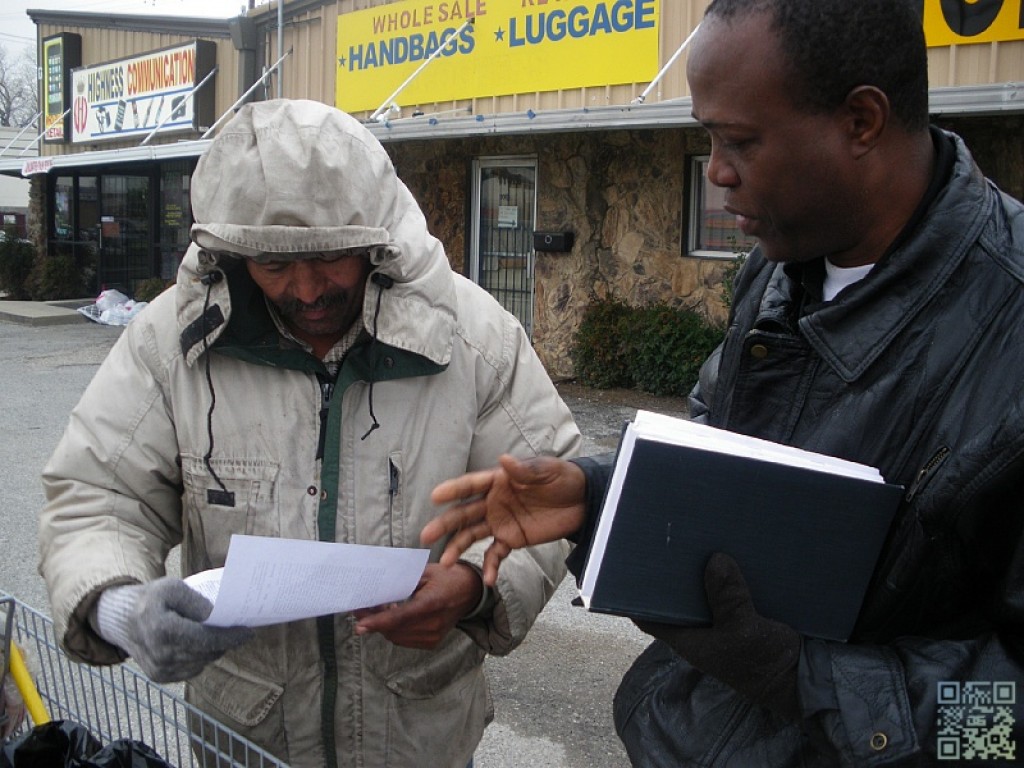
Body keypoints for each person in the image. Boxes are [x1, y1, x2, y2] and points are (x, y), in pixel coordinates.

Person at [423, 0, 1024, 764]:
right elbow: (726, 459)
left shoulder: (1008, 324)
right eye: (708, 137)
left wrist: (801, 676)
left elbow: (1008, 723)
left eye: (739, 141)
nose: (715, 173)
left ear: (862, 121)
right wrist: (602, 494)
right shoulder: (780, 266)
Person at [38, 99, 581, 768]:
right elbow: (98, 494)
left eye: (329, 256)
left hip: (421, 736)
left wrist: (475, 588)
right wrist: (121, 607)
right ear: (231, 254)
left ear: (377, 240)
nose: (306, 289)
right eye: (272, 265)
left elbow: (550, 497)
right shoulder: (168, 343)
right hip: (246, 739)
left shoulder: (475, 339)